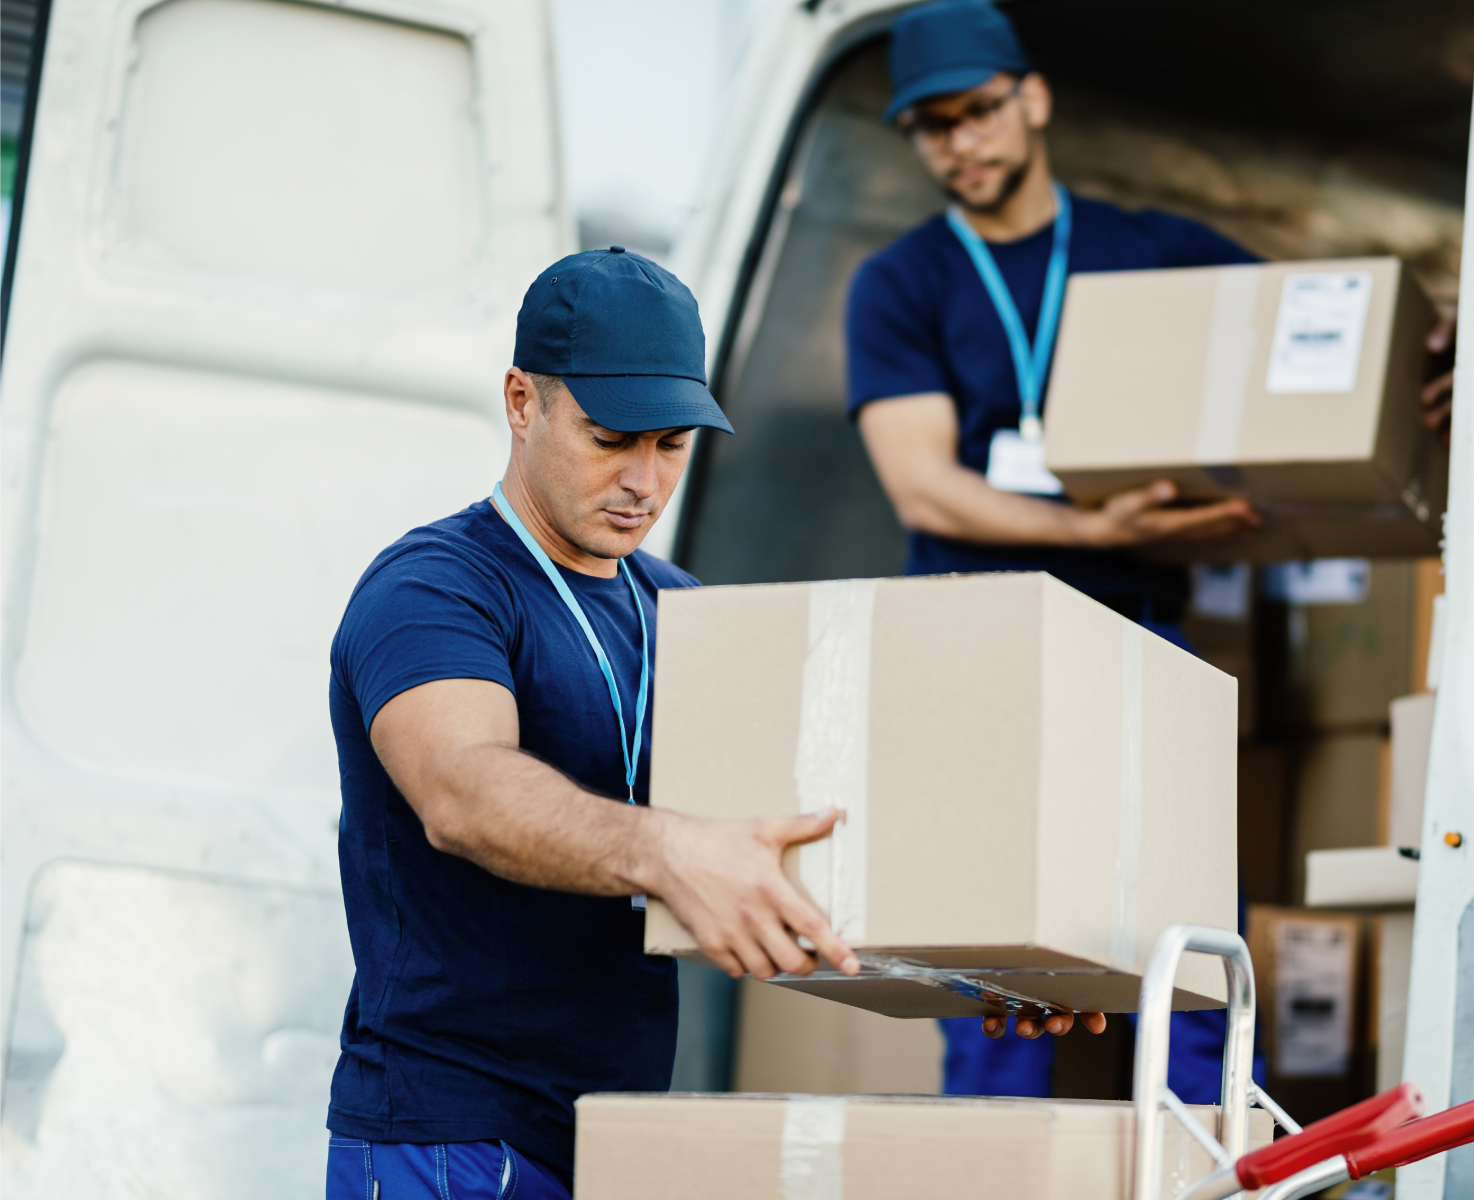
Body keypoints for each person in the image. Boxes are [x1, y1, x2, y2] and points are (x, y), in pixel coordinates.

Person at [324, 248, 860, 1197]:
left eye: (672, 446)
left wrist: (990, 974)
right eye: (611, 438)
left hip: (613, 1140)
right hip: (452, 1133)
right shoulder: (435, 587)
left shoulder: (684, 607)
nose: (645, 484)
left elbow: (789, 846)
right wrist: (667, 853)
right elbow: (461, 790)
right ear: (522, 401)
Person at [844, 0, 1269, 1103]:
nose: (959, 143)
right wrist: (1094, 528)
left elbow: (1301, 335)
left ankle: (1209, 1165)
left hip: (1136, 639)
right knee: (995, 972)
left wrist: (1434, 323)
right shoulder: (901, 281)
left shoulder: (1153, 250)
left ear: (1032, 98)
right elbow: (922, 480)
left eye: (978, 111)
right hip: (972, 647)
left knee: (1184, 952)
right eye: (930, 126)